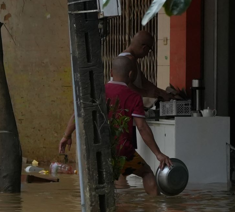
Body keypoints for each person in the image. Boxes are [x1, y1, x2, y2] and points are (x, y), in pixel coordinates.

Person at [59, 56, 171, 195]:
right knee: (147, 173)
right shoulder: (134, 97)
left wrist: (66, 135)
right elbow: (142, 127)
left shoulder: (97, 93)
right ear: (130, 74)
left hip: (97, 151)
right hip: (123, 152)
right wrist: (158, 154)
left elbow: (77, 114)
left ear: (111, 72)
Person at [120, 31, 174, 101]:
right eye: (149, 50)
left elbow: (144, 82)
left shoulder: (131, 59)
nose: (147, 54)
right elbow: (125, 85)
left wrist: (162, 93)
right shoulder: (128, 60)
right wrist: (146, 93)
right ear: (144, 48)